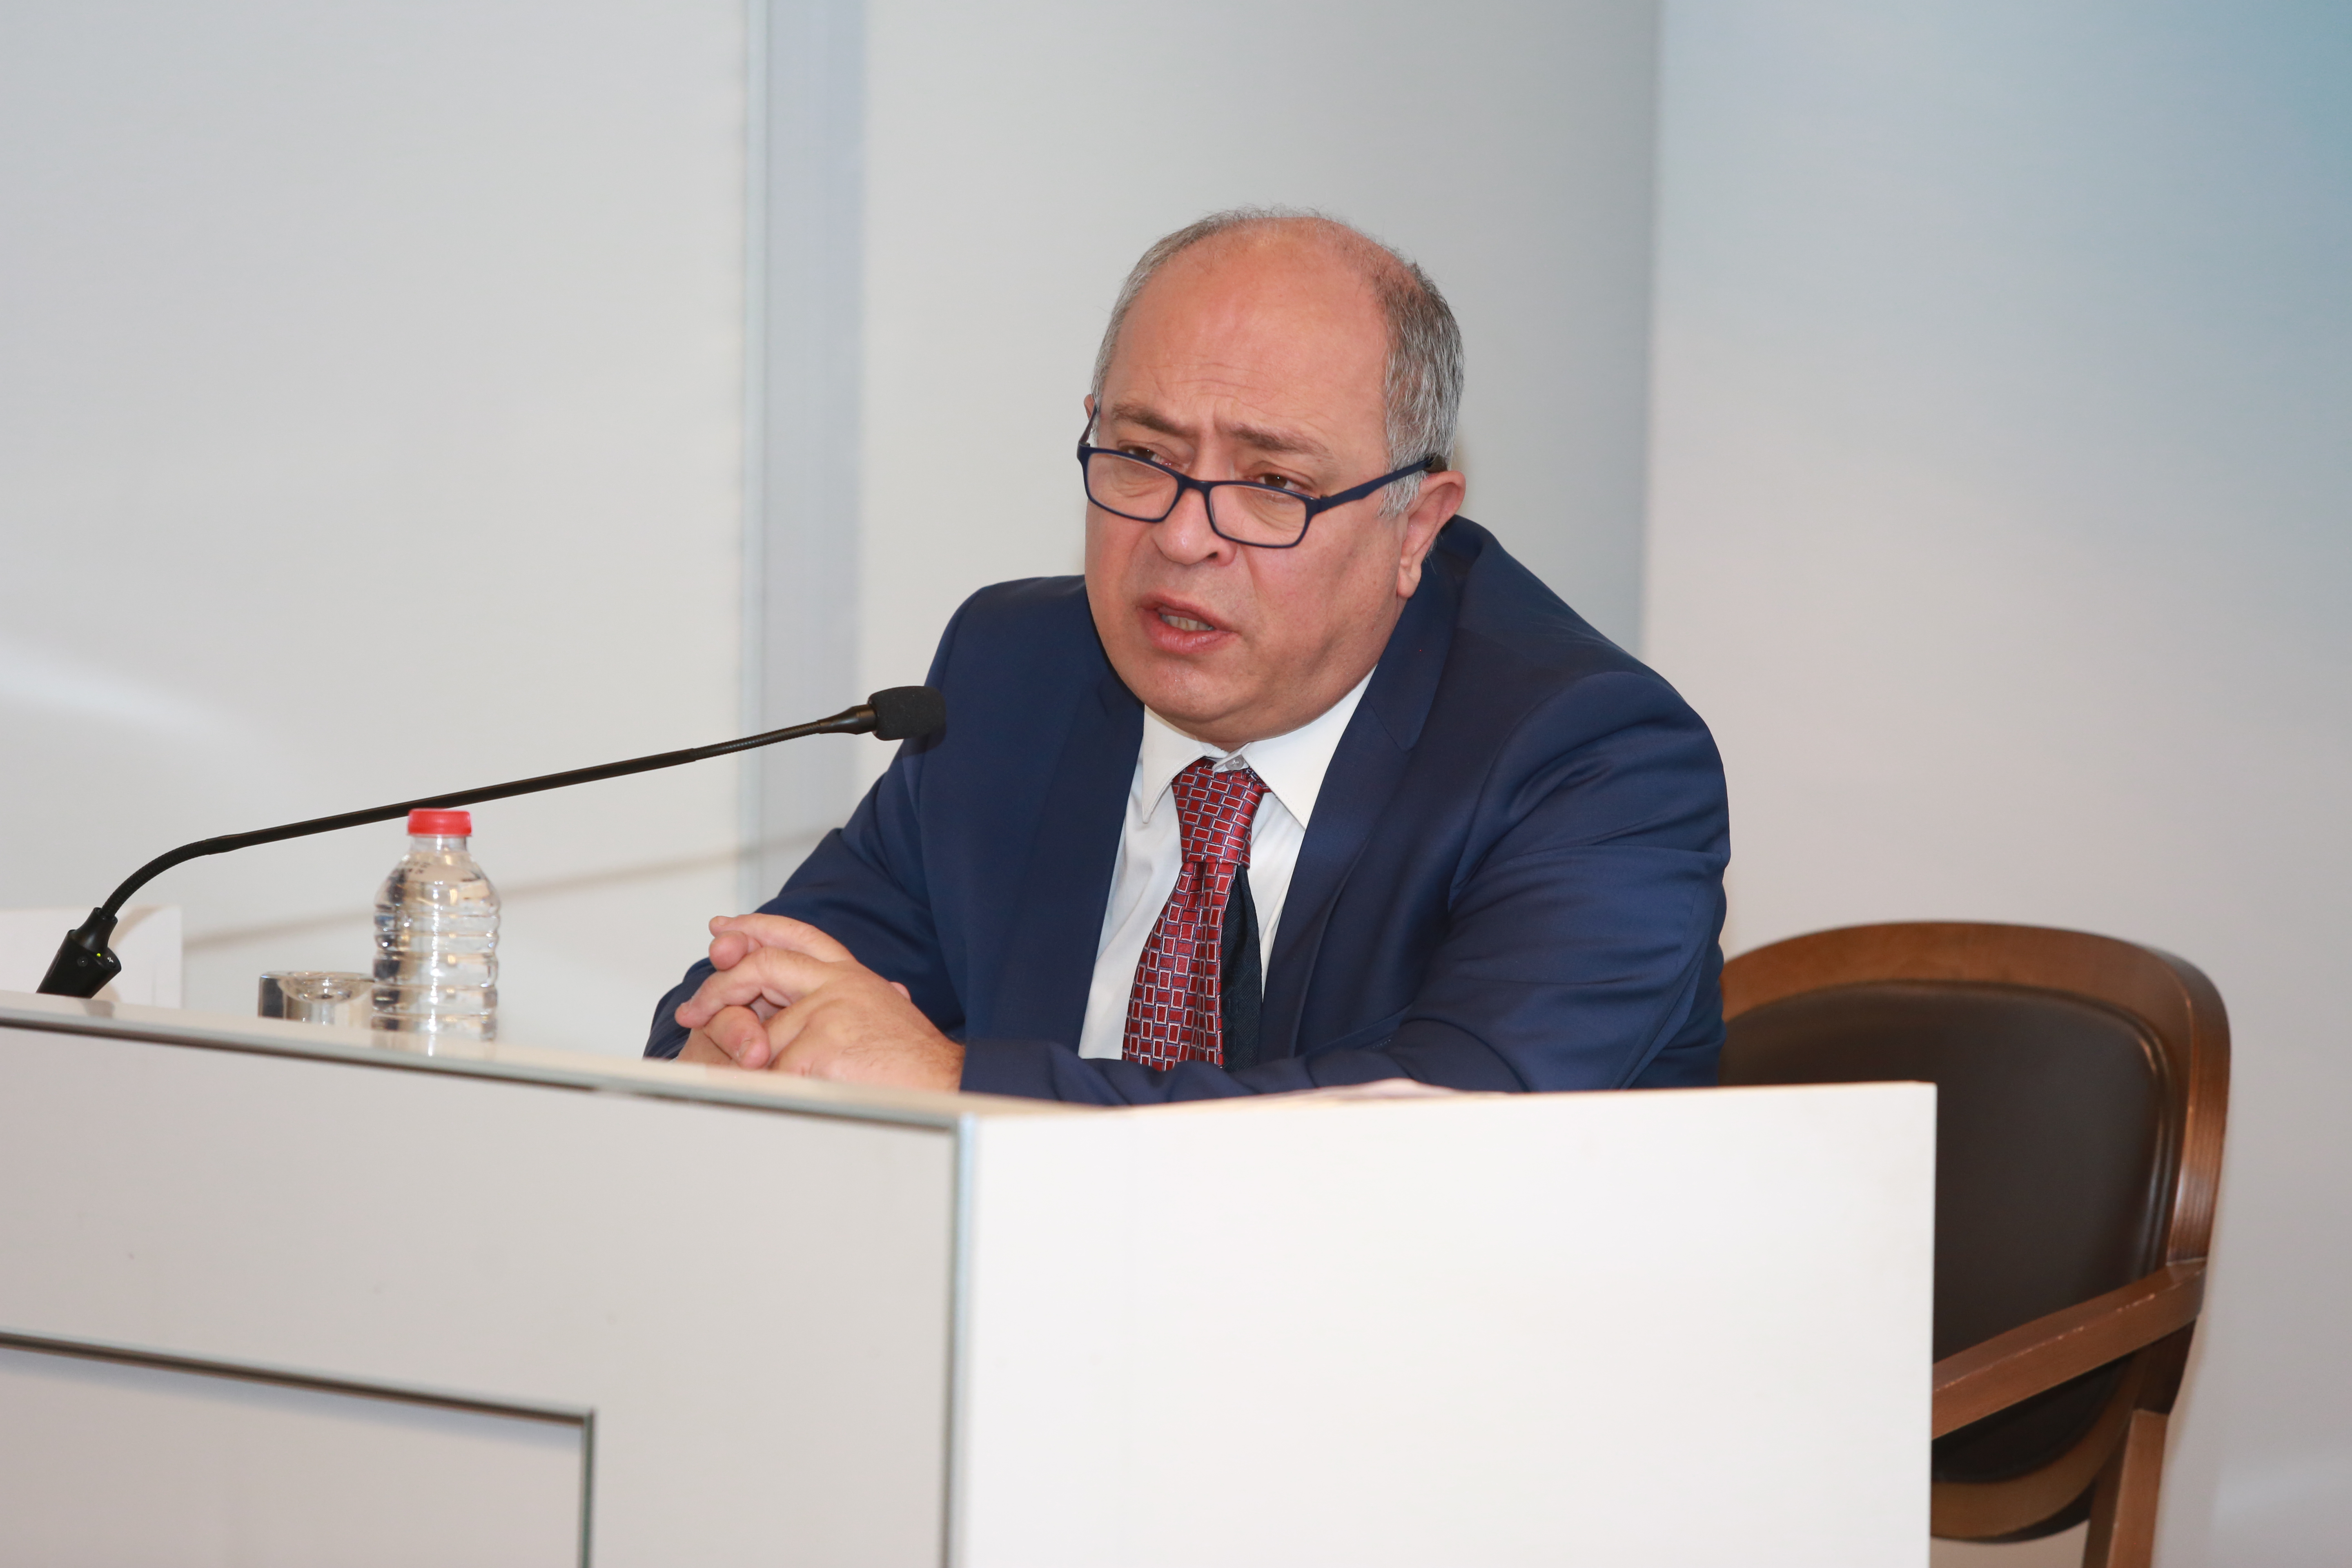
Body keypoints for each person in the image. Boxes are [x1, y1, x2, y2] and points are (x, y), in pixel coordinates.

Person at [646, 209, 1729, 1103]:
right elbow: (758, 998)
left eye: (1273, 484)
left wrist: (958, 1083)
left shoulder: (1592, 761)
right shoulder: (1015, 672)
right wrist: (745, 1039)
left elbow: (1445, 1131)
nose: (1181, 533)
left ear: (1415, 528)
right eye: (1142, 454)